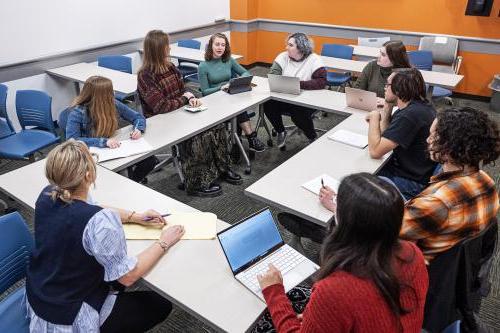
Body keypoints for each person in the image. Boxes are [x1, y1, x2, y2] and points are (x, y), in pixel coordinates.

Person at [25, 140, 185, 332]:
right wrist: (164, 242)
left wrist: (135, 216)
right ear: (88, 175)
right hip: (70, 317)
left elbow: (90, 208)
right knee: (160, 303)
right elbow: (128, 276)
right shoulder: (99, 222)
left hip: (40, 295)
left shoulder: (47, 194)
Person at [255, 173, 428, 332]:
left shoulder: (334, 290)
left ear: (346, 223)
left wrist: (274, 291)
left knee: (261, 323)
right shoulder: (412, 254)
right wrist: (318, 320)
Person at [137, 30, 242, 197]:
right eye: (166, 45)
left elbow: (183, 88)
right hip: (161, 120)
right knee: (198, 136)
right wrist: (185, 99)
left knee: (217, 126)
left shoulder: (170, 67)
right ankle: (195, 182)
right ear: (158, 48)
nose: (169, 48)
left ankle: (222, 168)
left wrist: (190, 96)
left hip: (180, 112)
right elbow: (160, 106)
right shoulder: (145, 76)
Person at [400, 107, 500, 263]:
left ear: (451, 144)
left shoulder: (438, 202)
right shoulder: (487, 181)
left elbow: (386, 234)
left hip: (418, 270)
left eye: (434, 136)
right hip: (456, 269)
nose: (428, 140)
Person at [65, 76, 157, 183]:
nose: (113, 93)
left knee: (149, 161)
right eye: (110, 91)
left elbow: (137, 117)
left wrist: (138, 129)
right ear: (100, 96)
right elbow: (72, 140)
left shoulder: (112, 103)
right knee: (116, 176)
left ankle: (131, 183)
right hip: (93, 153)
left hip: (113, 147)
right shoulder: (78, 113)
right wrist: (104, 142)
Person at [367, 68, 437, 200]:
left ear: (398, 90)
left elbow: (375, 151)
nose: (385, 87)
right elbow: (385, 134)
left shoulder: (410, 115)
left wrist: (374, 117)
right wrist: (387, 104)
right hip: (412, 170)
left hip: (412, 181)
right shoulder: (418, 106)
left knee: (358, 177)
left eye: (388, 85)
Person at [198, 33, 266, 152]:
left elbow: (247, 73)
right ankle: (250, 138)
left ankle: (242, 140)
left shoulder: (228, 60)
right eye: (217, 44)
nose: (220, 48)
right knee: (237, 108)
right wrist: (220, 87)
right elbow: (204, 92)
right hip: (214, 100)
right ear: (211, 46)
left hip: (230, 95)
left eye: (223, 45)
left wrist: (236, 80)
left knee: (237, 106)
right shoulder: (203, 66)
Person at [264, 32, 327, 147]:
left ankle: (312, 136)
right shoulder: (283, 57)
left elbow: (321, 82)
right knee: (267, 104)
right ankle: (280, 131)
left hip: (306, 100)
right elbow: (273, 76)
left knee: (298, 112)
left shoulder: (314, 59)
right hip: (284, 97)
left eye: (290, 45)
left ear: (301, 48)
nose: (286, 47)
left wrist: (297, 84)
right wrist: (291, 84)